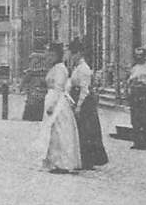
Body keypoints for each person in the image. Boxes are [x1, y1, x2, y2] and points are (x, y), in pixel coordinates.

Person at [41, 42, 81, 173]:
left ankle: (63, 163)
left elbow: (59, 88)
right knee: (53, 132)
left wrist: (52, 106)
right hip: (52, 99)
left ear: (57, 55)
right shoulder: (55, 68)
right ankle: (53, 161)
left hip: (58, 103)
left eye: (51, 54)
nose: (48, 57)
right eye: (48, 54)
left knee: (60, 131)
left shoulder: (60, 69)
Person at [68, 39, 108, 169]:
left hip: (85, 102)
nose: (72, 56)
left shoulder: (84, 69)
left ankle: (89, 160)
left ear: (79, 53)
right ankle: (83, 158)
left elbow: (84, 89)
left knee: (88, 131)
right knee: (82, 131)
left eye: (74, 53)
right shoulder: (77, 67)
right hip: (77, 98)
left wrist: (79, 106)